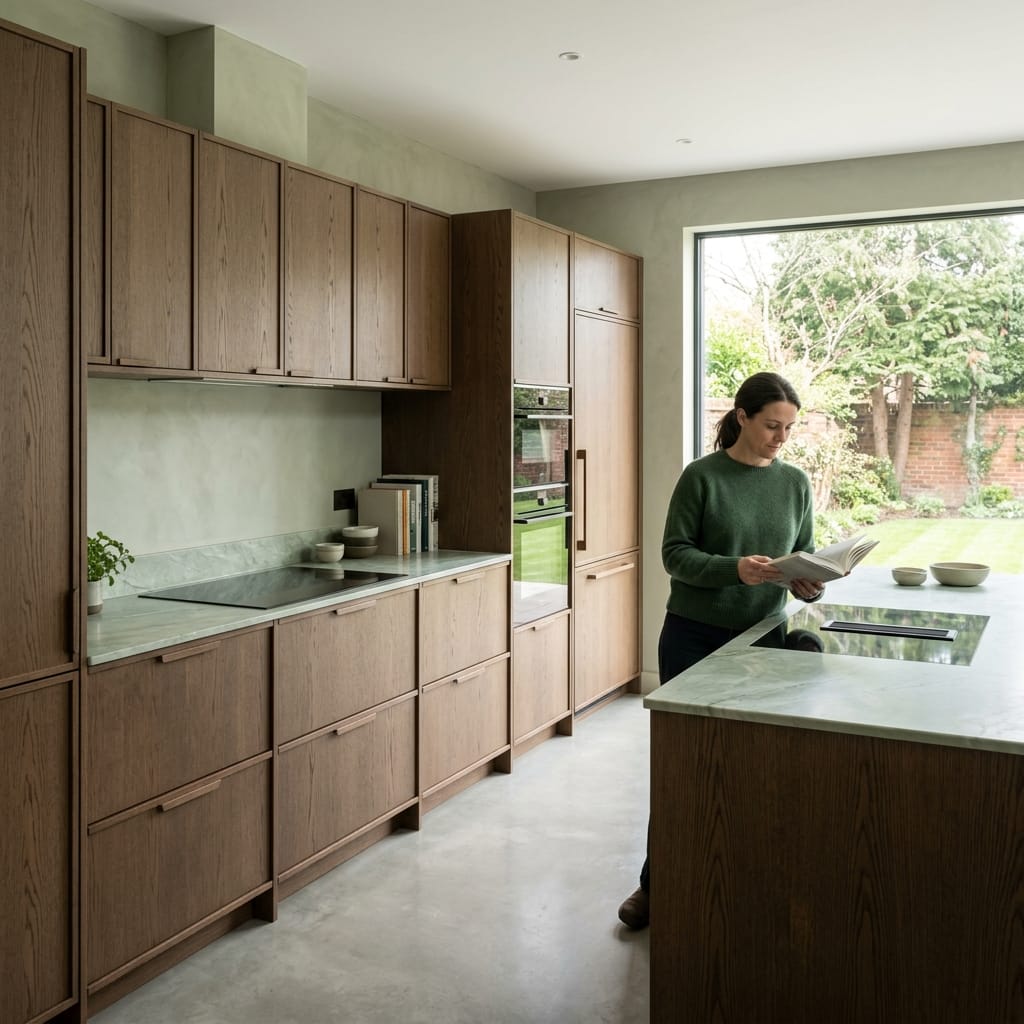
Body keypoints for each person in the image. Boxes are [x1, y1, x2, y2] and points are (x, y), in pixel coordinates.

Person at [617, 371, 825, 930]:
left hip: (764, 639)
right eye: (771, 426)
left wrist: (805, 580)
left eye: (789, 428)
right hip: (694, 635)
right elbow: (674, 555)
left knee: (756, 769)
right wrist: (735, 569)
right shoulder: (701, 478)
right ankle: (654, 887)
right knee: (684, 767)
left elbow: (802, 553)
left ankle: (740, 882)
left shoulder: (795, 483)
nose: (781, 438)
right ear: (742, 417)